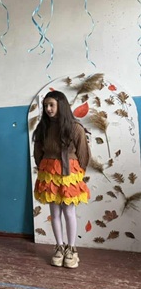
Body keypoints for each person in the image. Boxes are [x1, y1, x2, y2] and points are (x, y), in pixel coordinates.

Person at [33, 91, 91, 269]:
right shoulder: (43, 128)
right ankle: (59, 247)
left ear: (61, 105)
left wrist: (76, 173)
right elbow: (38, 153)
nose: (48, 109)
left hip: (69, 174)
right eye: (46, 106)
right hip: (50, 174)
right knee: (55, 212)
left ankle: (71, 249)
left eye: (52, 105)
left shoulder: (75, 127)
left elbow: (84, 155)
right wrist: (46, 168)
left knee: (69, 212)